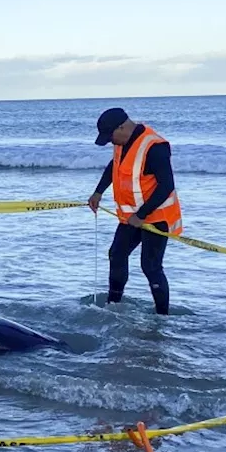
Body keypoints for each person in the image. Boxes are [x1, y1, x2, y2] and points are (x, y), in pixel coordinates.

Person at [87, 107, 183, 315]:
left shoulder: (154, 146)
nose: (111, 142)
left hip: (156, 216)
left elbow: (166, 185)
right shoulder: (122, 142)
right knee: (116, 254)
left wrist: (141, 215)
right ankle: (113, 306)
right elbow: (114, 166)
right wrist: (98, 192)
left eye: (110, 136)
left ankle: (162, 316)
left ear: (122, 127)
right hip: (130, 217)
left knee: (150, 267)